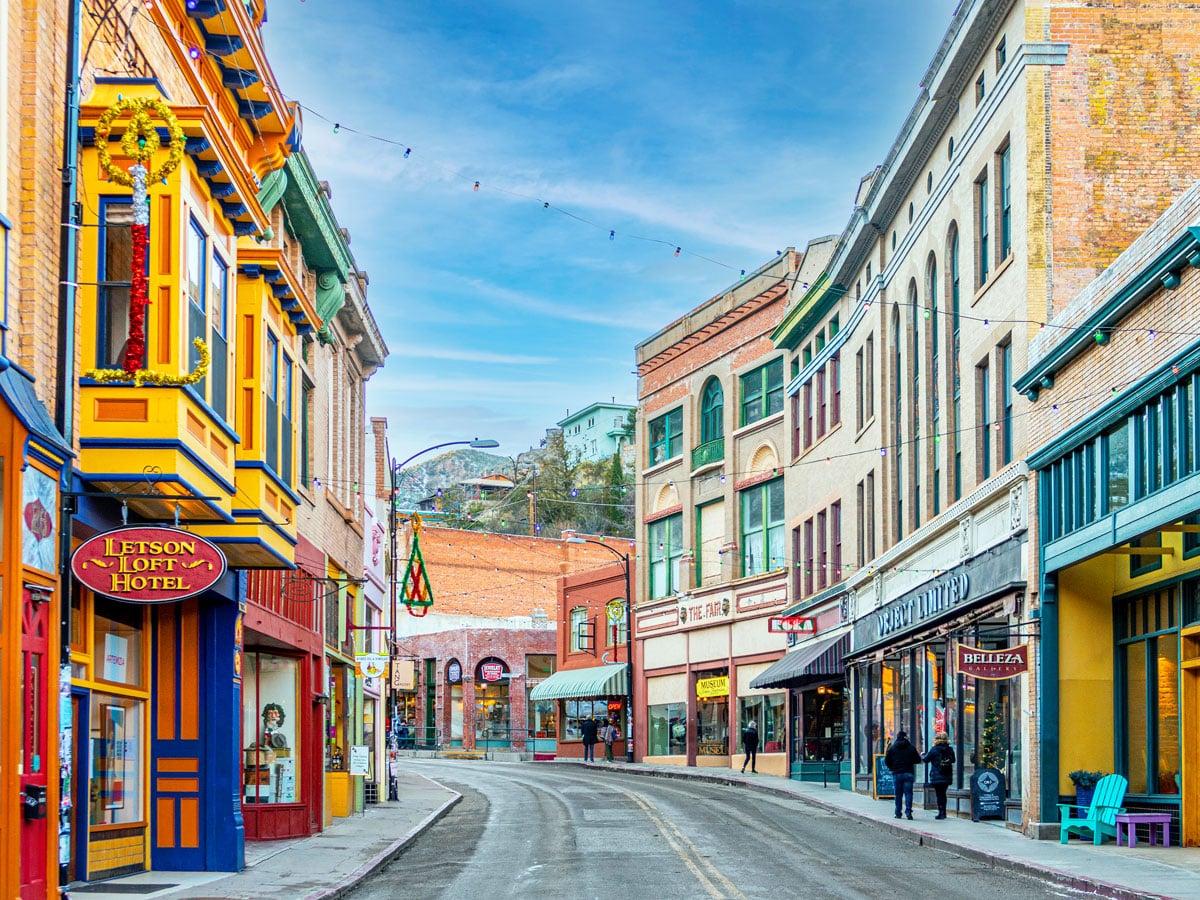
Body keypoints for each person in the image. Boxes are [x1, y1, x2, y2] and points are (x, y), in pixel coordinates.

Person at [885, 730, 923, 820]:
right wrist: (910, 761)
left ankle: (898, 813)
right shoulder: (911, 748)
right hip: (908, 773)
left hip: (897, 773)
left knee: (898, 794)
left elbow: (887, 761)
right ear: (905, 737)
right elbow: (918, 760)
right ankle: (908, 812)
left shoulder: (892, 748)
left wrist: (892, 767)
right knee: (908, 793)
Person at [922, 731, 956, 819]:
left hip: (937, 775)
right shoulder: (950, 749)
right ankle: (944, 812)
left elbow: (926, 760)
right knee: (943, 794)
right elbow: (953, 760)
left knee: (939, 794)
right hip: (947, 775)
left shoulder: (934, 749)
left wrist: (923, 755)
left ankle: (941, 813)